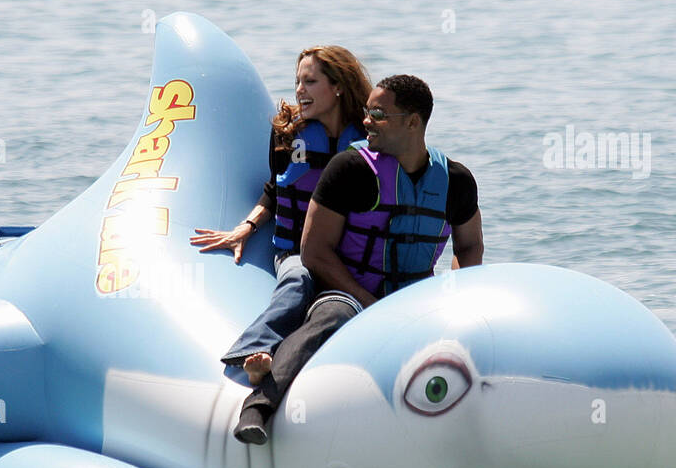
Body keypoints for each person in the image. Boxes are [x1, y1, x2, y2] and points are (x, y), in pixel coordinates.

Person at [233, 74, 484, 444]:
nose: (366, 121)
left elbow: (469, 246)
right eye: (367, 112)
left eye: (379, 114)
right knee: (331, 317)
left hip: (415, 299)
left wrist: (452, 296)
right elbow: (314, 251)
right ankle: (258, 405)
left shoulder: (456, 181)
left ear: (413, 122)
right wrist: (369, 304)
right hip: (347, 292)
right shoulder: (349, 170)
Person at [191, 46, 372, 383]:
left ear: (338, 87)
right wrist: (246, 227)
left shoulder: (367, 139)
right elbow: (276, 189)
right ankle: (250, 353)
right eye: (297, 81)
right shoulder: (289, 133)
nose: (299, 90)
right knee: (299, 279)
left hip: (348, 255)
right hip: (297, 250)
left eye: (310, 81)